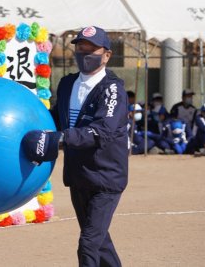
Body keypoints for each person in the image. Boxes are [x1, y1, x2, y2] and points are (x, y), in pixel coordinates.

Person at [22, 26, 128, 266]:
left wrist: (59, 139)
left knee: (88, 243)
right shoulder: (68, 83)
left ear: (107, 55)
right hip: (78, 175)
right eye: (81, 49)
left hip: (106, 178)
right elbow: (58, 117)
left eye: (92, 50)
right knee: (99, 242)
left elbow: (103, 130)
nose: (85, 54)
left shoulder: (112, 89)